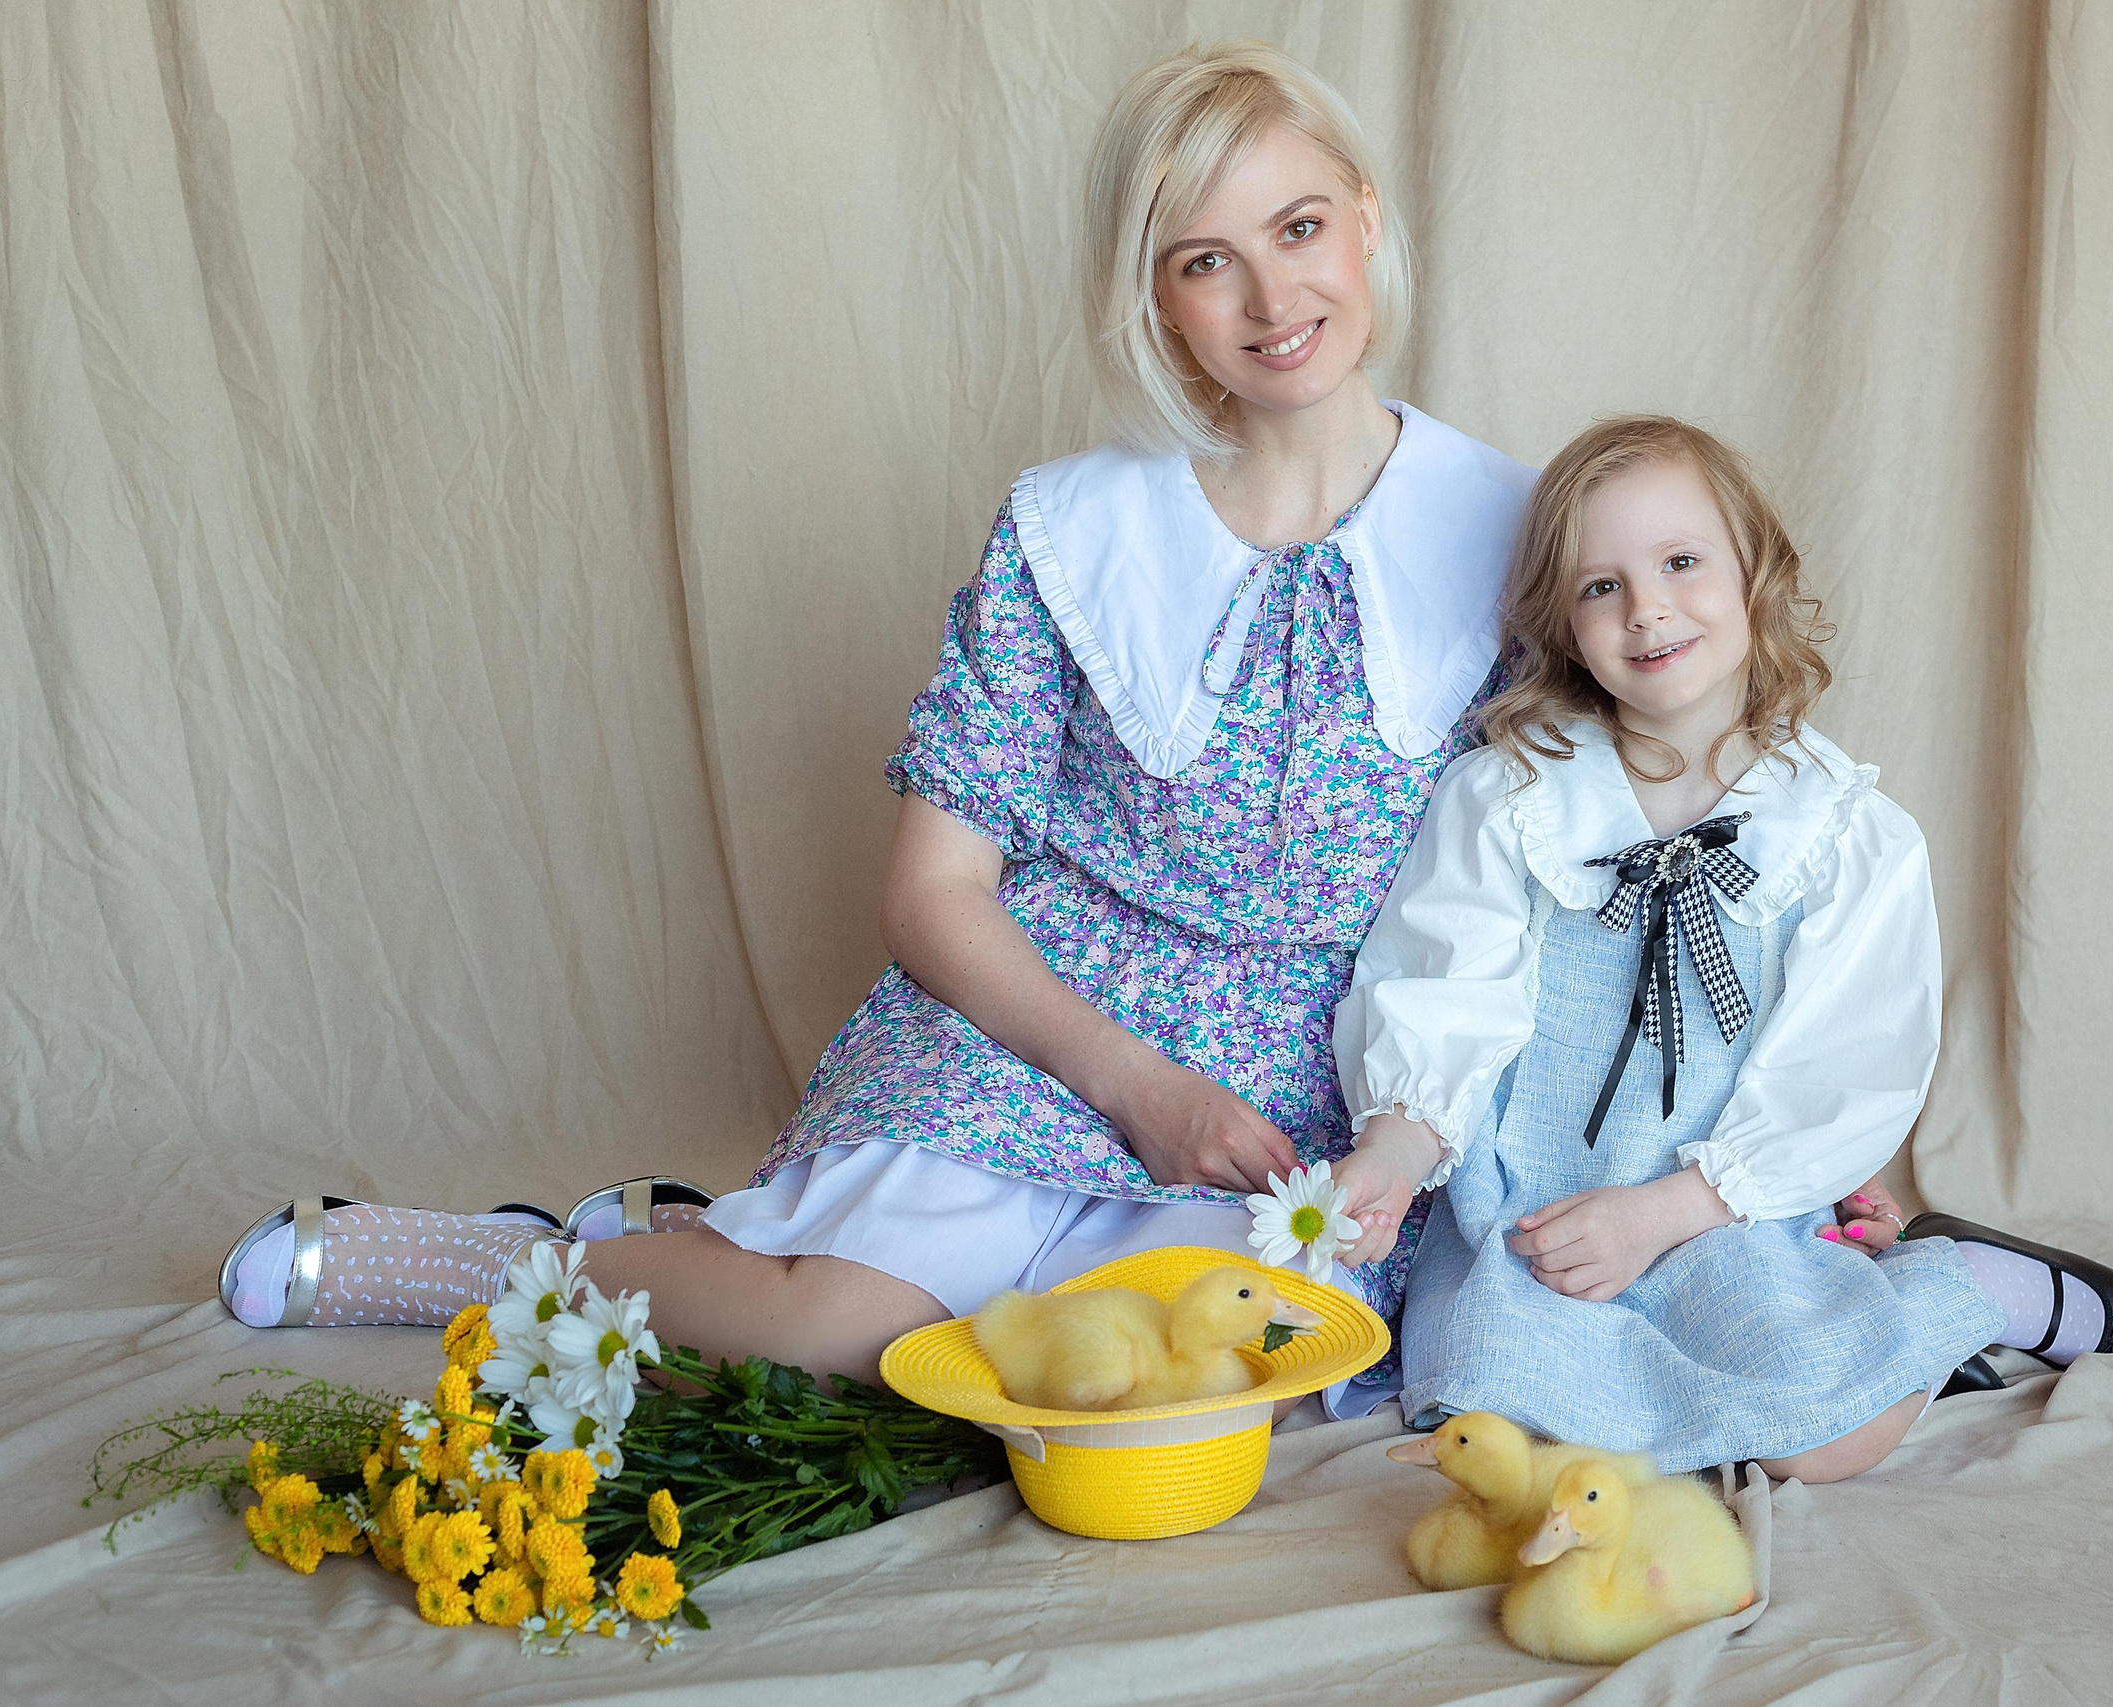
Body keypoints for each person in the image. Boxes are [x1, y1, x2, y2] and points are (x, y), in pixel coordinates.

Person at [216, 41, 1531, 1415]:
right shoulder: (1077, 532)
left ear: (1365, 219)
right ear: (1155, 299)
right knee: (838, 1331)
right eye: (1205, 260)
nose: (1273, 296)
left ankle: (704, 1244)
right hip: (1054, 1027)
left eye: (1300, 228)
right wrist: (1137, 1085)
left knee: (1137, 1376)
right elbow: (933, 889)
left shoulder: (1514, 532)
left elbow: (1561, 878)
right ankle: (513, 1261)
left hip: (1304, 1099)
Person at [1332, 415, 2113, 1481]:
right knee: (1491, 1427)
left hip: (1724, 1211)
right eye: (1601, 587)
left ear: (1753, 572)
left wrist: (1675, 1211)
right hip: (1541, 1220)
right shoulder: (1513, 796)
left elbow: (1844, 1069)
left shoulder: (1841, 834)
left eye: (1681, 563)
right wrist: (1395, 1156)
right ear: (1563, 621)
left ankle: (1974, 1290)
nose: (1648, 609)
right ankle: (1857, 1329)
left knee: (1820, 1440)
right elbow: (1443, 989)